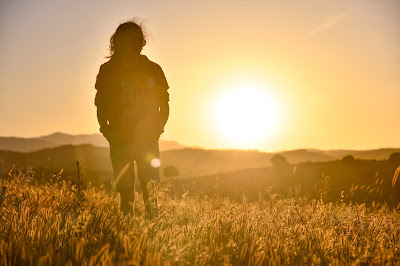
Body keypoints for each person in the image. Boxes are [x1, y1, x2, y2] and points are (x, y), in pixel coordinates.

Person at [94, 19, 170, 218]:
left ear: (140, 43)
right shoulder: (107, 70)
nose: (130, 45)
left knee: (150, 188)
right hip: (119, 138)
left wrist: (158, 128)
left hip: (146, 138)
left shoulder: (153, 69)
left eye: (134, 41)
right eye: (125, 41)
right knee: (126, 191)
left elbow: (164, 103)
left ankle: (151, 231)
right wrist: (106, 130)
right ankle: (129, 234)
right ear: (116, 43)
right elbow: (100, 103)